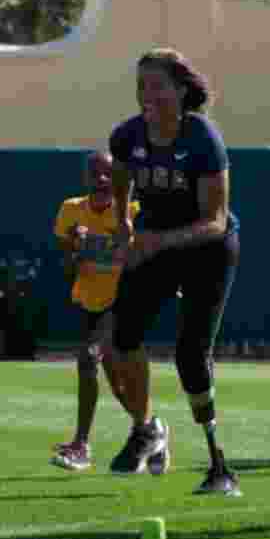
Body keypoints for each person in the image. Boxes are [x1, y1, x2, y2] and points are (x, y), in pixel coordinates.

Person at [108, 48, 241, 497]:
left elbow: (215, 221)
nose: (149, 94)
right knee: (121, 338)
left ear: (181, 89)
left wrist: (156, 241)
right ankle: (147, 428)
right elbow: (122, 180)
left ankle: (218, 461)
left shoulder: (202, 136)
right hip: (154, 244)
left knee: (190, 355)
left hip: (208, 250)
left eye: (158, 85)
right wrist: (124, 221)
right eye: (142, 85)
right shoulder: (127, 135)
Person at [50, 151, 136, 471]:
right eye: (95, 174)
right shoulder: (71, 211)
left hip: (122, 302)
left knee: (88, 358)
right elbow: (67, 269)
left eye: (107, 173)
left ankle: (81, 445)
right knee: (114, 379)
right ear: (86, 179)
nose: (101, 179)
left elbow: (143, 262)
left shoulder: (132, 212)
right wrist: (74, 246)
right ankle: (149, 428)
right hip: (90, 303)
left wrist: (125, 242)